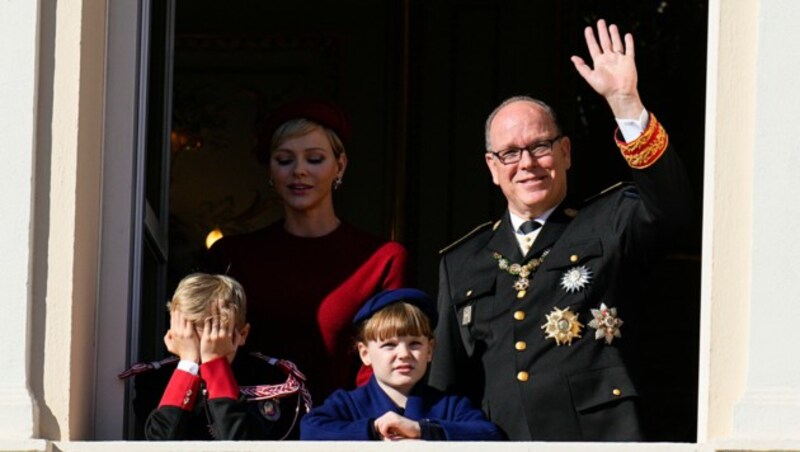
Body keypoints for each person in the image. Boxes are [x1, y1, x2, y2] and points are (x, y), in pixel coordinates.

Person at [428, 19, 694, 441]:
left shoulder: (611, 221)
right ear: (492, 168)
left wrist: (626, 104)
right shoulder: (461, 262)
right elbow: (446, 386)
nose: (528, 163)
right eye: (510, 153)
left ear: (565, 152)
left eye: (540, 147)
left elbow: (673, 209)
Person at [201, 98, 408, 406]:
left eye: (314, 159)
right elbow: (208, 356)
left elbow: (390, 364)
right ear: (271, 170)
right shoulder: (232, 256)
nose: (299, 171)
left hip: (346, 436)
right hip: (249, 433)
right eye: (285, 160)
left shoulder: (382, 259)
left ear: (340, 165)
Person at [300, 288, 504, 441]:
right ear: (365, 353)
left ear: (430, 349)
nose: (404, 354)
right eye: (389, 345)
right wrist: (374, 429)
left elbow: (489, 433)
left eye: (415, 344)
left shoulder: (449, 406)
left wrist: (421, 429)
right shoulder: (348, 404)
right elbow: (311, 430)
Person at [143, 273, 276, 440]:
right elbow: (159, 444)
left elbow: (241, 444)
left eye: (214, 338)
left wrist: (215, 367)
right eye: (189, 339)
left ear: (242, 334)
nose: (203, 350)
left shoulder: (269, 379)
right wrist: (187, 366)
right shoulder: (154, 380)